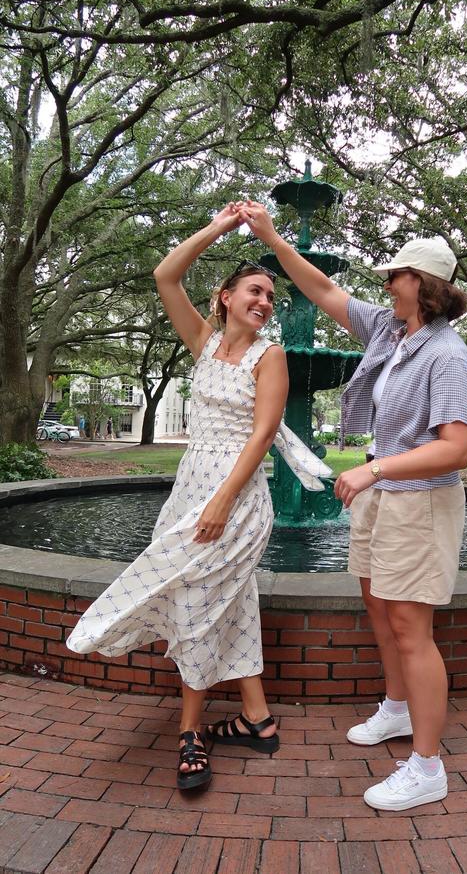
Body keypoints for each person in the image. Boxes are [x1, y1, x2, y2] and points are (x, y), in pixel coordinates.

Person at [66, 204, 329, 792]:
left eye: (270, 298)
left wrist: (221, 503)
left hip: (236, 496)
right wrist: (220, 228)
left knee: (195, 607)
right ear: (225, 296)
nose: (264, 302)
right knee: (227, 603)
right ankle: (257, 719)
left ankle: (190, 731)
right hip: (190, 486)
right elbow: (165, 275)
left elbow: (263, 436)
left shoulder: (272, 356)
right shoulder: (204, 343)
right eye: (255, 291)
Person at [238, 200, 467, 813]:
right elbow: (321, 288)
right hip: (383, 497)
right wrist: (272, 236)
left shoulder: (447, 353)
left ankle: (427, 767)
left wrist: (373, 469)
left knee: (411, 628)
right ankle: (397, 710)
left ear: (419, 285)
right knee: (377, 603)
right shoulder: (392, 331)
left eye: (394, 276)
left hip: (418, 503)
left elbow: (457, 449)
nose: (386, 283)